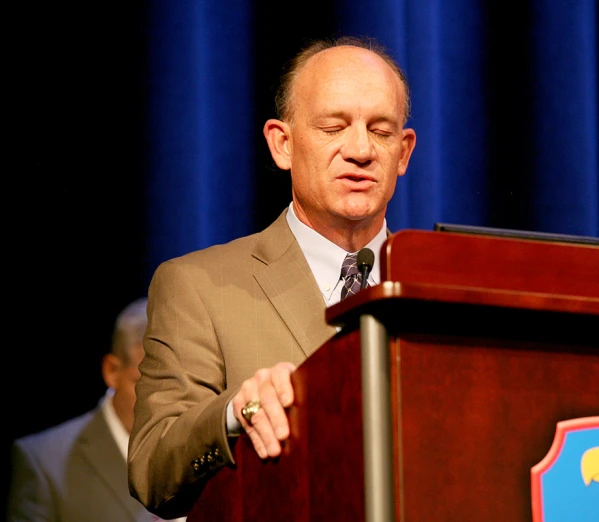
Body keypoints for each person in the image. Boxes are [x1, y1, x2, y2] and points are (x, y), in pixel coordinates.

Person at [128, 35, 417, 518]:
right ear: (282, 144)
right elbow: (152, 470)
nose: (361, 150)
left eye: (382, 131)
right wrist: (233, 413)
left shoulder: (435, 286)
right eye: (333, 127)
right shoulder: (197, 286)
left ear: (403, 153)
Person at [6, 298, 185, 522]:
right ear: (112, 371)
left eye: (178, 387)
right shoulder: (44, 462)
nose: (167, 404)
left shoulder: (212, 451)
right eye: (148, 386)